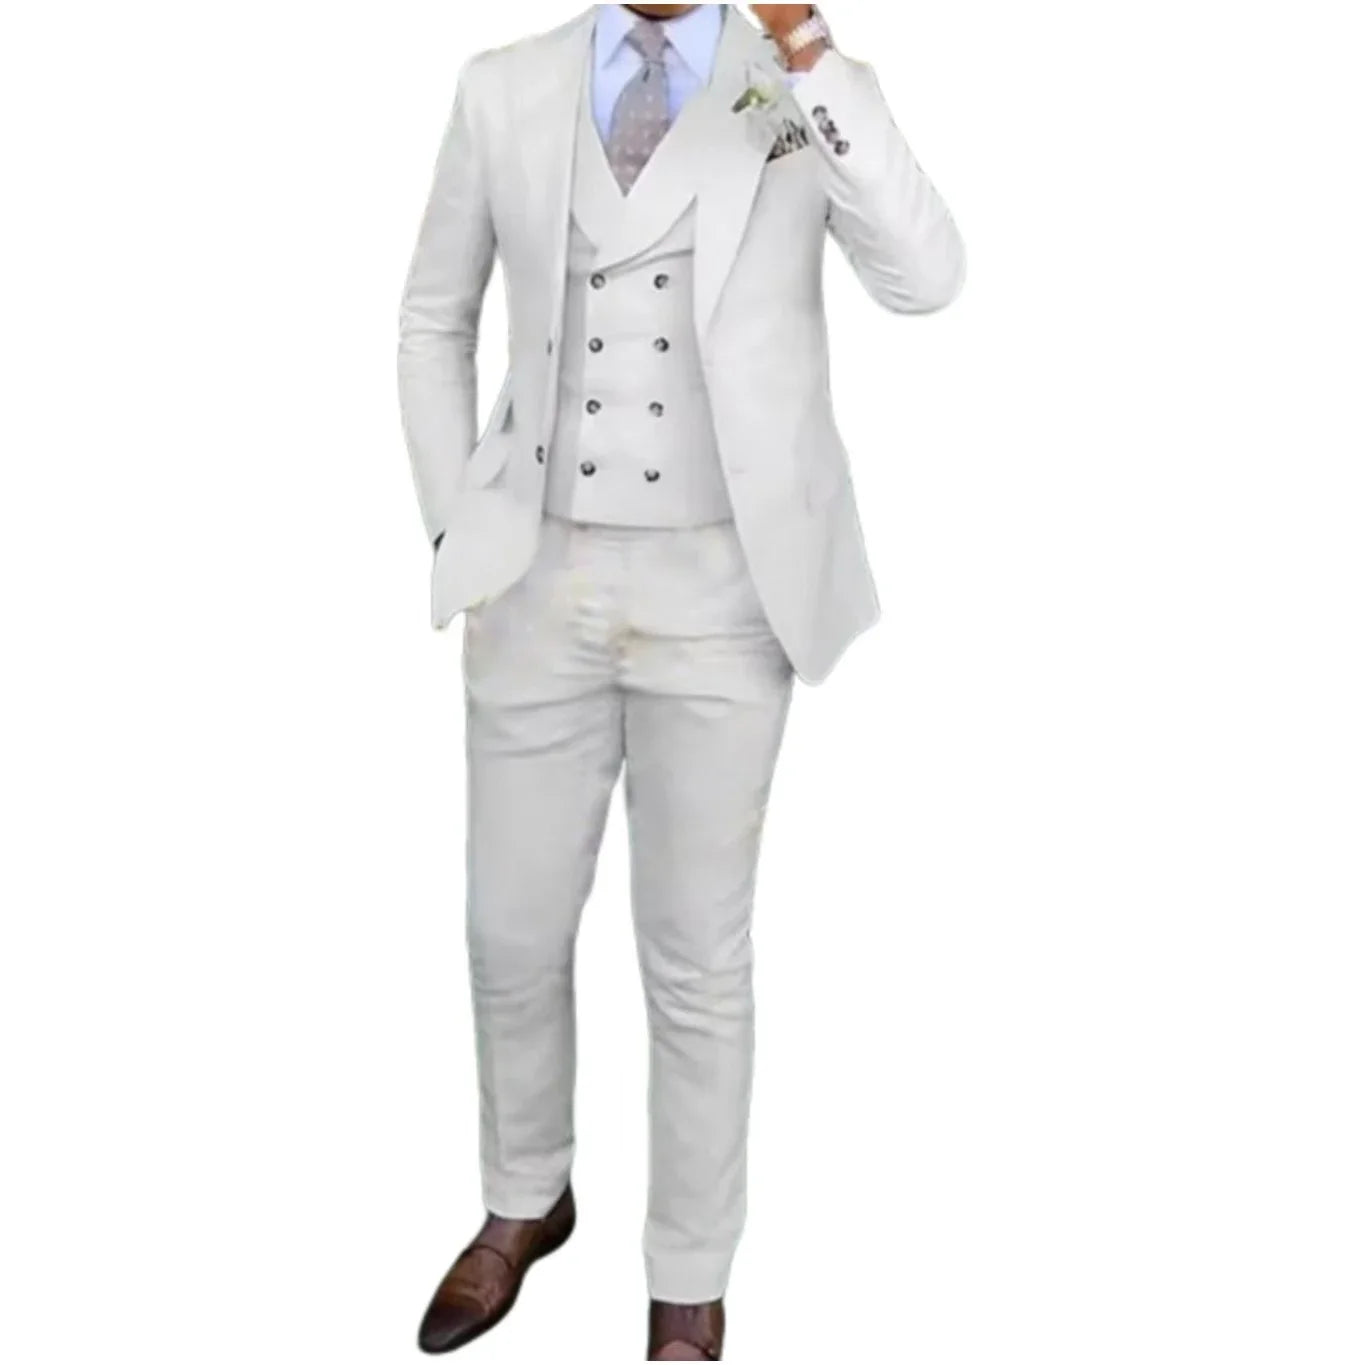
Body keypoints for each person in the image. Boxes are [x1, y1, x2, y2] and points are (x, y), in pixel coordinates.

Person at [397, 4, 965, 1357]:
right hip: (535, 580)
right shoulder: (502, 86)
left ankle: (689, 1272)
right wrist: (460, 525)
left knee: (696, 953)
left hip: (724, 585)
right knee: (508, 929)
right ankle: (524, 1196)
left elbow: (926, 275)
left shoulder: (796, 85)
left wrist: (811, 52)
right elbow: (431, 317)